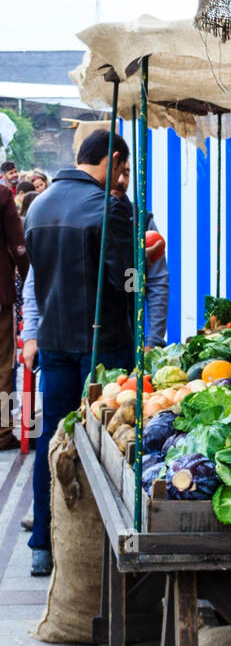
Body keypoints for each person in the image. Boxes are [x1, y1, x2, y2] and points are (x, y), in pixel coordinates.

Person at [23, 129, 134, 575]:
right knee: (110, 441)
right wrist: (138, 281)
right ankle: (105, 548)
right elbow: (126, 280)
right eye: (122, 168)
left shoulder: (39, 205)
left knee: (52, 439)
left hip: (53, 341)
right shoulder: (109, 207)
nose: (123, 178)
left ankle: (42, 544)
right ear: (108, 160)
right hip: (101, 343)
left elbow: (36, 278)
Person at [112, 159, 170, 346]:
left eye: (127, 173)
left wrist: (154, 339)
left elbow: (156, 283)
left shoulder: (141, 221)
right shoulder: (84, 217)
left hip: (128, 337)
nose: (121, 180)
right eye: (116, 172)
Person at [0, 172, 29, 450]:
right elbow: (18, 245)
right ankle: (2, 432)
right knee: (3, 367)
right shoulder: (2, 195)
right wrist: (28, 278)